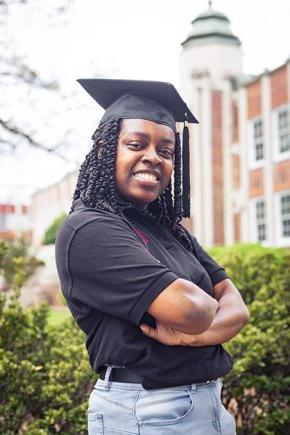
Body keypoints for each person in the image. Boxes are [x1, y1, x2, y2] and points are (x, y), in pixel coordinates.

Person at [55, 79, 249, 435]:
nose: (153, 157)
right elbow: (191, 309)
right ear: (104, 149)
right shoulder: (88, 230)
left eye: (166, 150)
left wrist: (191, 336)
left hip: (208, 401)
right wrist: (205, 316)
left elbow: (237, 308)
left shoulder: (170, 229)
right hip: (146, 411)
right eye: (136, 144)